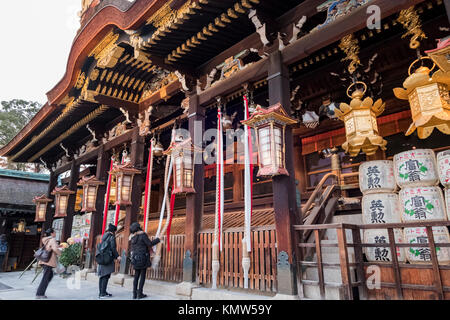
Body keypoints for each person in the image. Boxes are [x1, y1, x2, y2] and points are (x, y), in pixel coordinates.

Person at [129, 222, 160, 299]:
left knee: (136, 276)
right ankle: (140, 294)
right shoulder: (143, 235)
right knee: (142, 276)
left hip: (135, 258)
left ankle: (134, 294)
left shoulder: (132, 237)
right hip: (143, 258)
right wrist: (158, 239)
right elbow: (149, 244)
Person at [36, 228, 61, 299]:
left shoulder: (46, 239)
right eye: (55, 232)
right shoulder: (52, 240)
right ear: (52, 233)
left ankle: (40, 288)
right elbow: (55, 249)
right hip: (48, 261)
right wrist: (60, 254)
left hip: (44, 260)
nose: (55, 234)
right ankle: (39, 293)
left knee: (49, 275)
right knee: (46, 277)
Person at [97, 223, 120, 299]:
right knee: (106, 276)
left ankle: (102, 292)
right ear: (113, 231)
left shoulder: (104, 236)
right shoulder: (111, 237)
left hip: (102, 257)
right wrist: (117, 256)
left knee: (102, 276)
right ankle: (102, 293)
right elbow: (113, 248)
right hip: (108, 258)